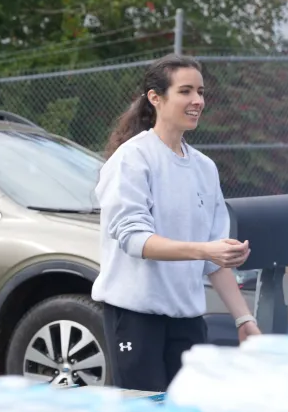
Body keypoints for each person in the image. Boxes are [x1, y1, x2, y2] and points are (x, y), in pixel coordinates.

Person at [91, 54, 260, 393]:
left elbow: (214, 260)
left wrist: (244, 319)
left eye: (200, 92)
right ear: (156, 98)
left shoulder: (204, 168)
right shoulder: (133, 158)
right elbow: (136, 240)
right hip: (136, 317)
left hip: (188, 321)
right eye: (185, 91)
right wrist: (204, 250)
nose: (197, 101)